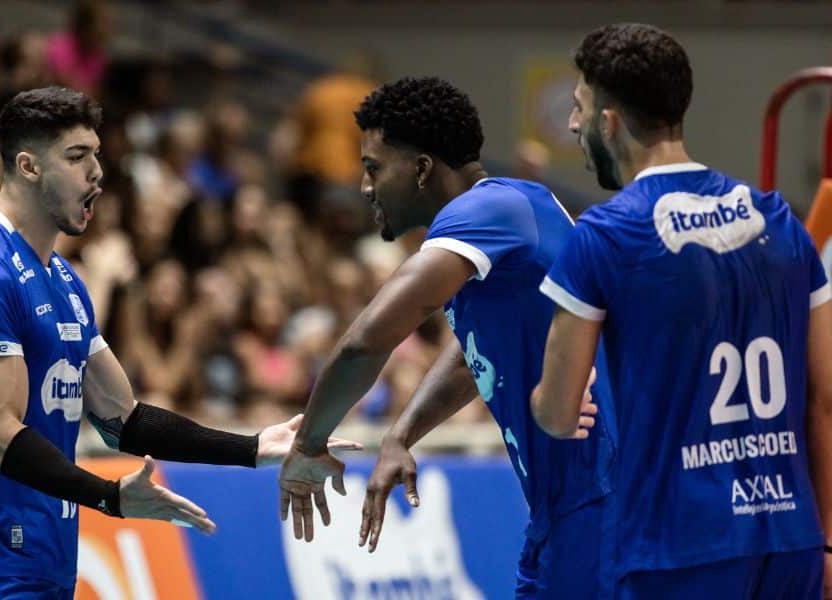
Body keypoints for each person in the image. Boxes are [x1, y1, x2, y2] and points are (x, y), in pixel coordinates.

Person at [0, 86, 358, 599]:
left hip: (45, 558)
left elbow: (123, 420)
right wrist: (110, 497)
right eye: (76, 157)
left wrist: (254, 447)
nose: (97, 173)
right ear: (28, 166)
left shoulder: (64, 280)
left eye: (96, 155)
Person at [277, 76, 615, 599]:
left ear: (421, 169)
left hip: (601, 502)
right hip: (566, 506)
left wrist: (308, 444)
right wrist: (401, 434)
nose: (364, 186)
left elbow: (368, 341)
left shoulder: (485, 213)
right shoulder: (511, 213)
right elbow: (473, 353)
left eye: (373, 168)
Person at [530, 23, 832, 598]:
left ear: (609, 123)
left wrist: (541, 397)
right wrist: (827, 541)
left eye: (579, 107)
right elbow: (826, 399)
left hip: (675, 550)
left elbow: (561, 415)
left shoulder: (604, 234)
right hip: (789, 539)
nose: (572, 123)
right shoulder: (780, 220)